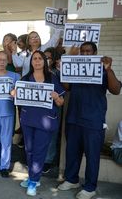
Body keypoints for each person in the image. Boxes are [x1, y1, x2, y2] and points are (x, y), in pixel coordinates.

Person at [58, 42, 121, 199]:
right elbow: (66, 87)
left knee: (92, 156)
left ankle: (90, 187)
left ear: (95, 52)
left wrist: (109, 69)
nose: (85, 54)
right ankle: (72, 180)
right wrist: (65, 65)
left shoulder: (103, 69)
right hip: (74, 118)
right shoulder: (75, 68)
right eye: (83, 51)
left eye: (89, 51)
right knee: (72, 152)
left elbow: (116, 90)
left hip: (93, 120)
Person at [16, 51, 65, 196]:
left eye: (40, 59)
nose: (37, 61)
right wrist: (14, 93)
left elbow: (61, 102)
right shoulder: (25, 79)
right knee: (29, 151)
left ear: (45, 61)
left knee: (39, 151)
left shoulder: (52, 78)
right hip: (28, 120)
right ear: (31, 62)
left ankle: (33, 181)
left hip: (45, 122)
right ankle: (33, 177)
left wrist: (56, 97)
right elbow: (17, 99)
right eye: (34, 59)